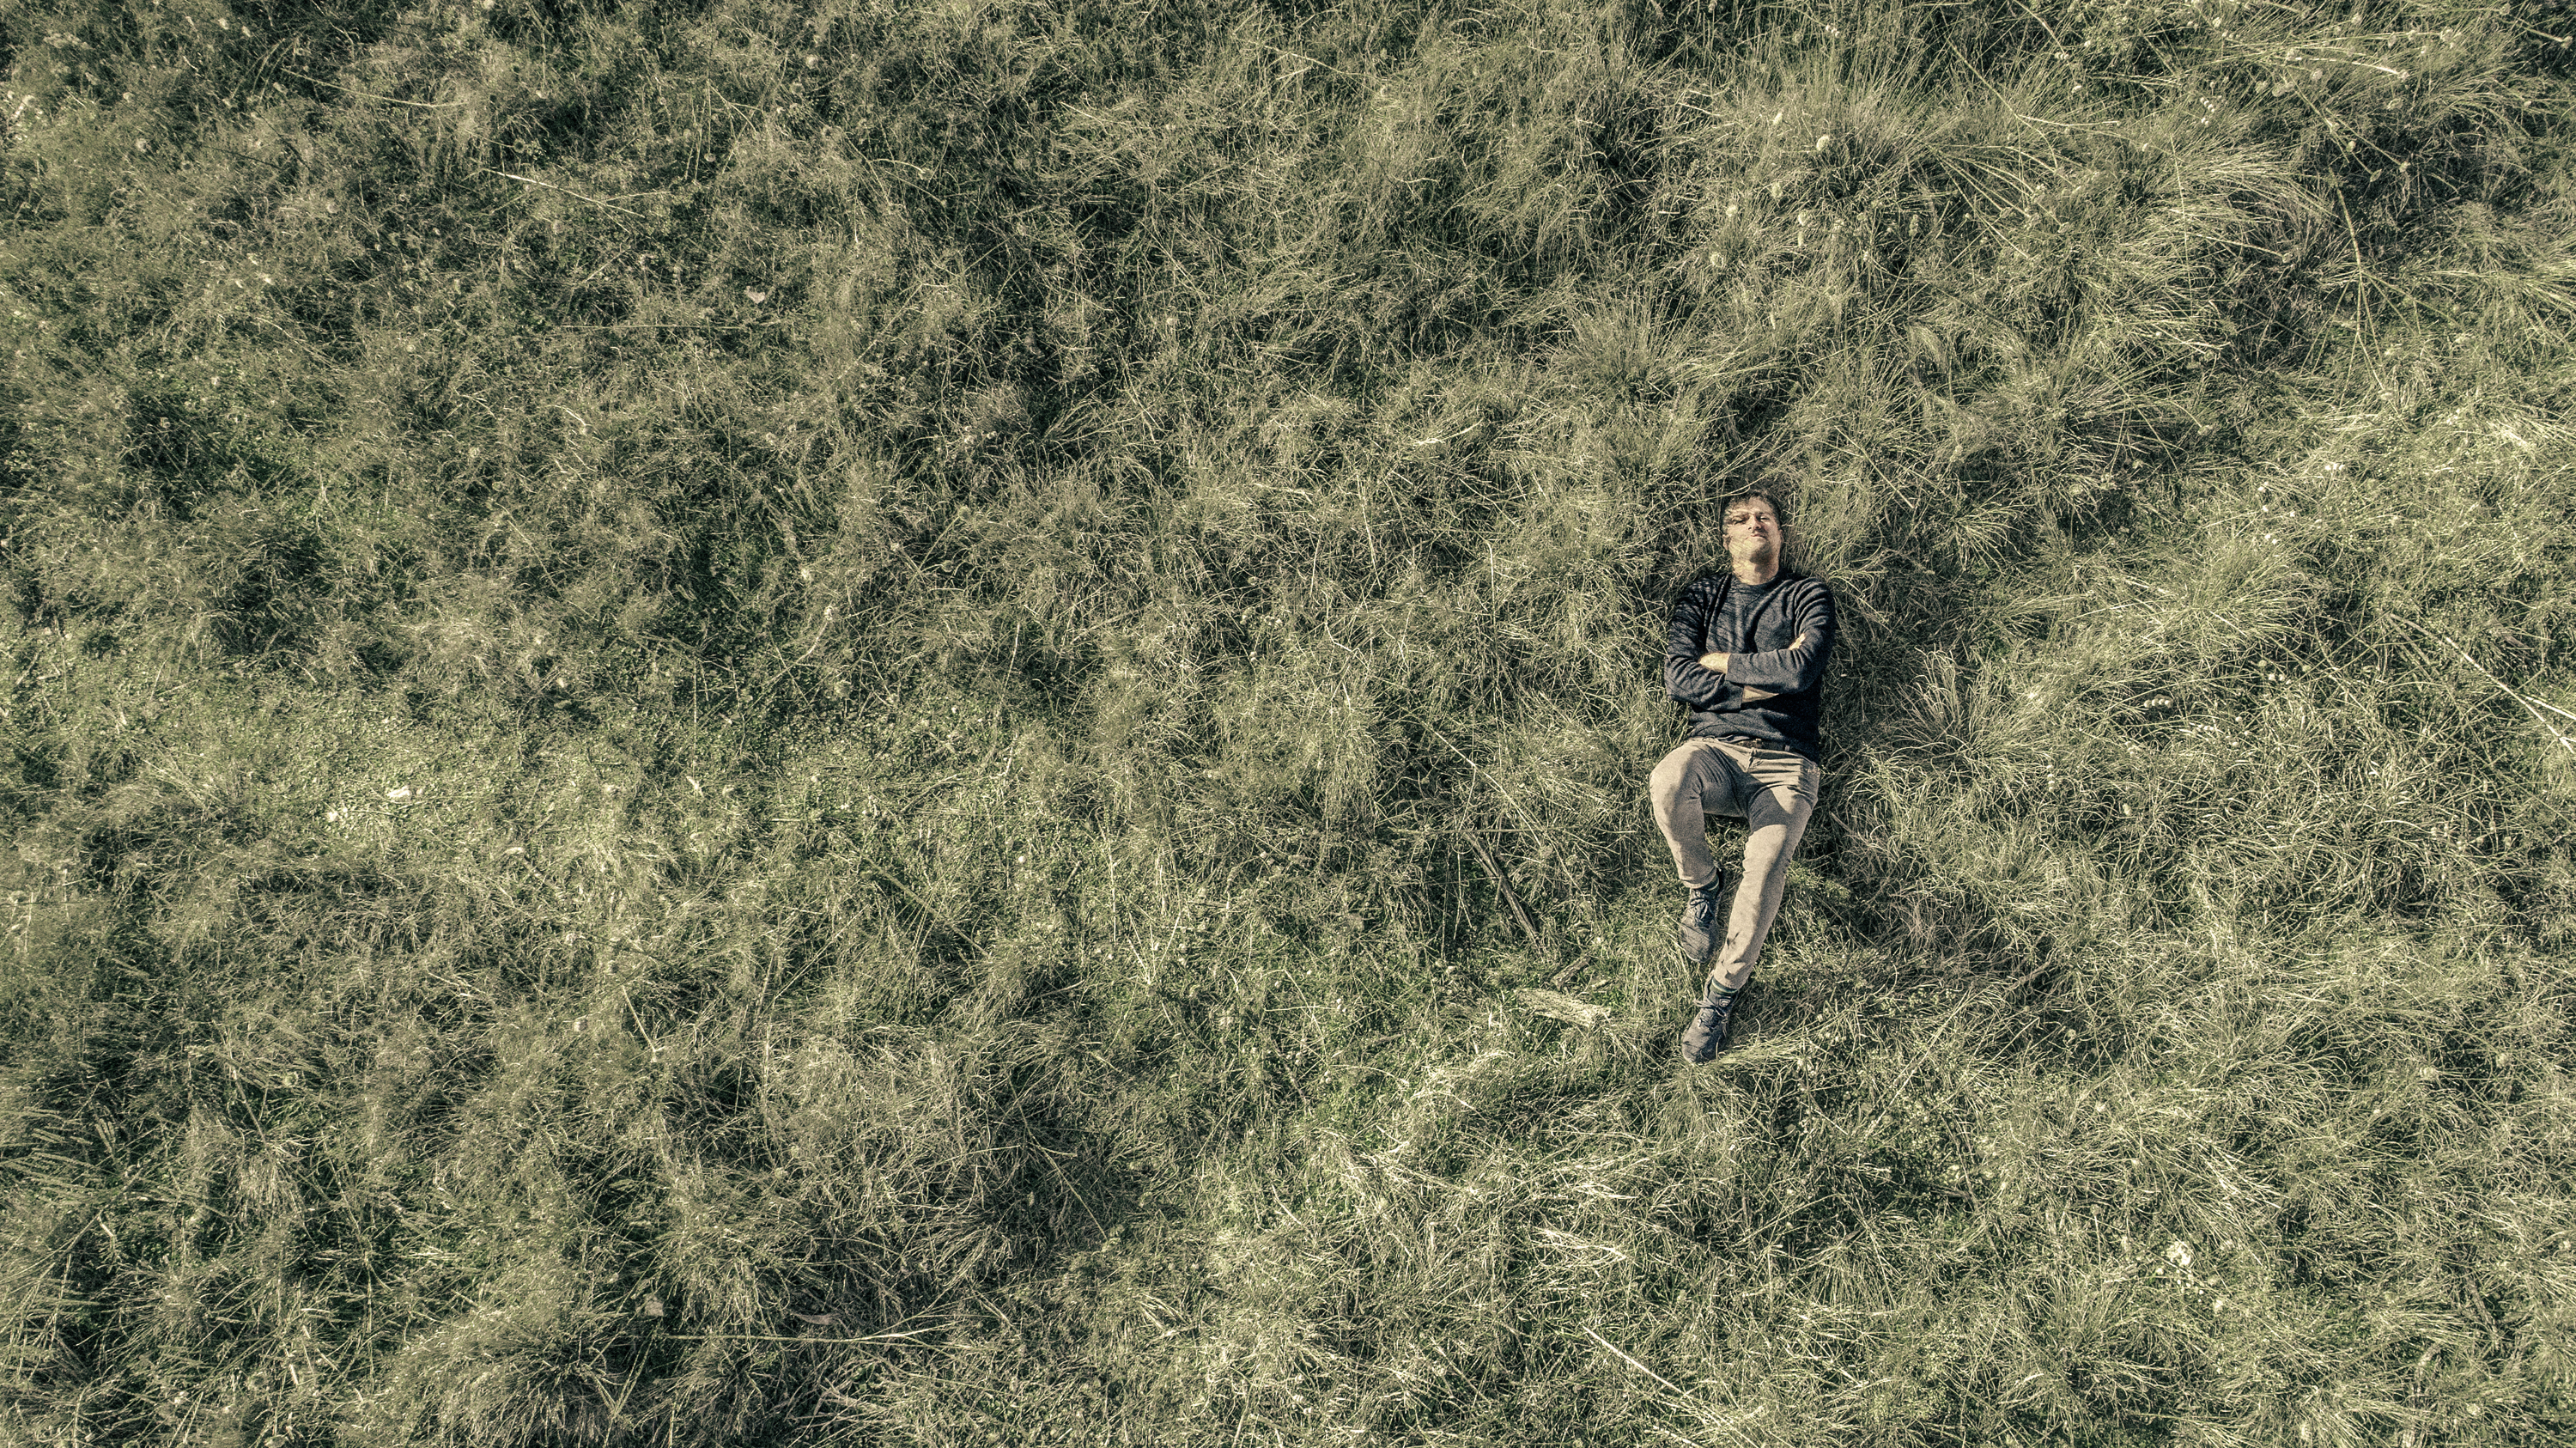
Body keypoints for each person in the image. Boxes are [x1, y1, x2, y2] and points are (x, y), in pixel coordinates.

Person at [1649, 488, 1835, 1062]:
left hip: (1787, 764)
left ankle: (1719, 1000)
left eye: (1766, 518)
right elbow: (1679, 678)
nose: (1755, 523)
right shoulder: (1705, 594)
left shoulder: (1808, 594)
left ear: (1780, 534)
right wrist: (1766, 681)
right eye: (1741, 518)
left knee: (1763, 880)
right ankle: (1702, 886)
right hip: (1715, 750)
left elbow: (1803, 669)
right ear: (1726, 537)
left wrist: (1725, 663)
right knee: (1667, 780)